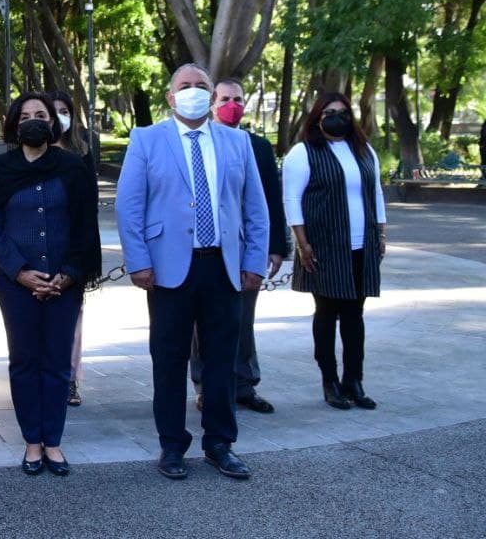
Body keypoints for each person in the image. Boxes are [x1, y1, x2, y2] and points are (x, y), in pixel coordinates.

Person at [115, 63, 269, 481]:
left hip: (223, 266)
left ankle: (220, 444)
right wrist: (139, 260)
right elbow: (129, 205)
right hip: (168, 270)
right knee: (168, 360)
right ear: (170, 96)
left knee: (222, 359)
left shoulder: (237, 142)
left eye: (201, 85)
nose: (193, 91)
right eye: (185, 85)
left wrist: (254, 261)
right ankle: (172, 445)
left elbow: (255, 207)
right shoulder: (147, 139)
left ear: (212, 95)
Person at [0, 93, 101, 475]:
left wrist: (68, 273)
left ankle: (54, 442)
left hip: (65, 282)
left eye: (42, 115)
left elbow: (85, 226)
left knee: (57, 363)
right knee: (24, 361)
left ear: (54, 123)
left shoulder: (73, 167)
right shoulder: (1, 168)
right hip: (17, 283)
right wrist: (19, 271)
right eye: (26, 115)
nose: (34, 121)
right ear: (14, 124)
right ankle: (32, 441)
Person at [284, 93, 387, 410]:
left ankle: (353, 380)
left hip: (362, 244)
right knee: (327, 314)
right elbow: (292, 200)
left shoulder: (364, 150)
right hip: (322, 246)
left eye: (343, 113)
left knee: (355, 315)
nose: (336, 118)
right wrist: (302, 243)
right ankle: (330, 381)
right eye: (329, 112)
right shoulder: (303, 153)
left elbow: (376, 192)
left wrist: (381, 231)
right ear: (317, 118)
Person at [191, 80, 288, 414]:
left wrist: (275, 247)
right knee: (202, 324)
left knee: (243, 320)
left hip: (246, 249)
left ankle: (244, 384)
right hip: (207, 248)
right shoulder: (199, 142)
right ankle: (205, 386)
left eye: (237, 99)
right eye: (224, 99)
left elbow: (270, 199)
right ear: (212, 103)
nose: (231, 105)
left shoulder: (257, 146)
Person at [50, 90, 94, 408]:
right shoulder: (28, 154)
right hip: (37, 249)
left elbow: (89, 209)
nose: (58, 117)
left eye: (64, 111)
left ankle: (69, 378)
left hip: (72, 249)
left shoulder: (82, 156)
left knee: (72, 319)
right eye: (53, 111)